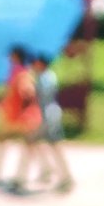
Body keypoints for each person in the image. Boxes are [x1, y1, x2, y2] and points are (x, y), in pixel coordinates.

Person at [0, 45, 42, 192]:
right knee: (25, 144)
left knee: (27, 144)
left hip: (21, 118)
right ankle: (6, 173)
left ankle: (14, 176)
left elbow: (27, 90)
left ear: (16, 56)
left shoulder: (22, 73)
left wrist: (25, 103)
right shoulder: (18, 72)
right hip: (15, 117)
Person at [26, 52, 74, 193]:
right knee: (45, 144)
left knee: (44, 144)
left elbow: (41, 96)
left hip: (46, 115)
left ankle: (62, 175)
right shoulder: (46, 76)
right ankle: (50, 170)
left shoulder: (44, 78)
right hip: (49, 114)